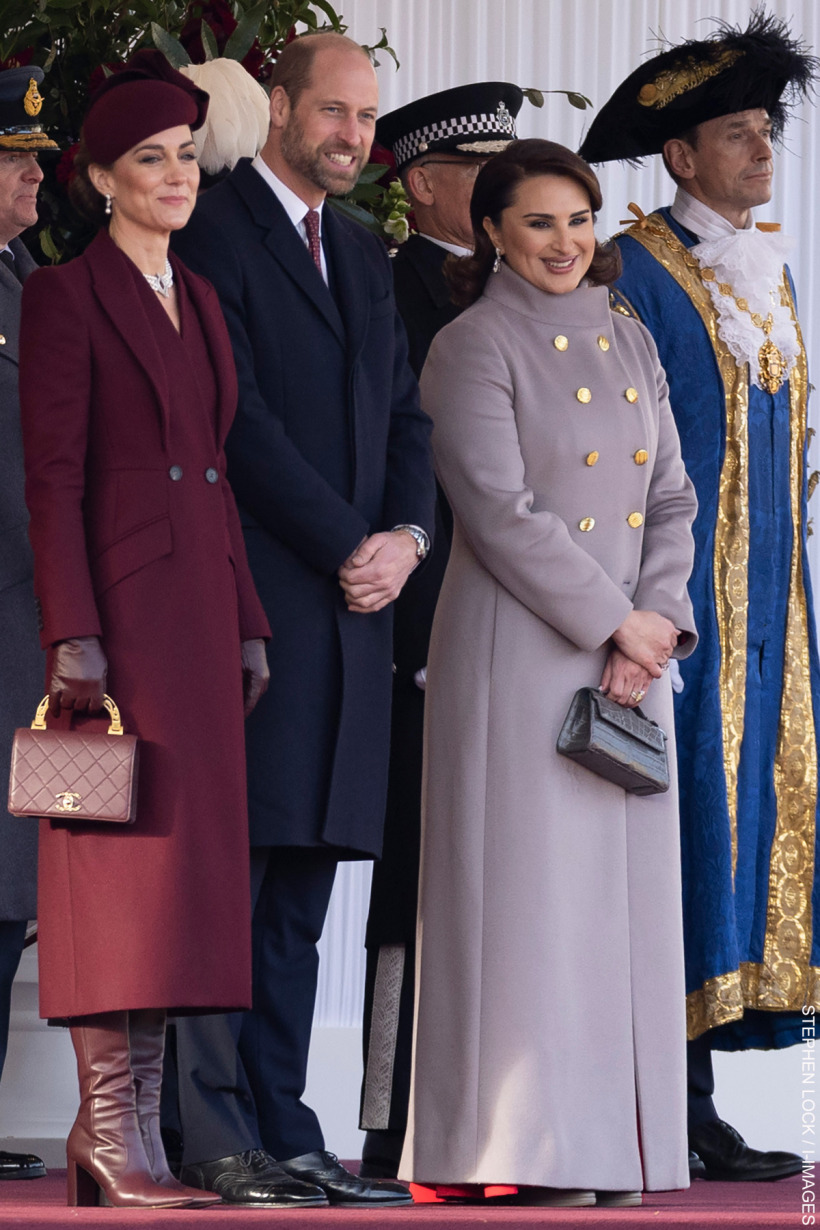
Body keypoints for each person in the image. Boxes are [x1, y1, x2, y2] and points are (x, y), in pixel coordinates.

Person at [402, 138, 698, 1209]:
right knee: (525, 908)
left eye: (578, 220)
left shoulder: (626, 333)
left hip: (629, 653)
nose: (565, 242)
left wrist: (659, 618)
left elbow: (672, 496)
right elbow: (499, 512)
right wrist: (616, 621)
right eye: (538, 222)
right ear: (490, 231)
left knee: (615, 914)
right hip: (521, 653)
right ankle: (514, 1147)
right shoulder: (470, 346)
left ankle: (616, 1148)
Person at [168, 31, 434, 1209]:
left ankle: (286, 1129)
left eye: (367, 119)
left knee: (300, 896)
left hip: (354, 613)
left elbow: (405, 415)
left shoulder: (368, 250)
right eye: (333, 112)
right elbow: (238, 422)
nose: (353, 137)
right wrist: (348, 543)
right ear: (277, 108)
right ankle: (212, 1136)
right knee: (230, 884)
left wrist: (406, 540)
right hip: (256, 605)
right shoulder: (213, 230)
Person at [18, 50, 272, 1209]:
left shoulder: (204, 297)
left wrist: (249, 620)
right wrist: (73, 635)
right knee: (114, 874)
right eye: (148, 162)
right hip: (116, 629)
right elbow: (52, 481)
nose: (174, 176)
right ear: (103, 181)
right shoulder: (64, 298)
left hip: (201, 620)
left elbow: (214, 472)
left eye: (184, 157)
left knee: (185, 884)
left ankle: (136, 1144)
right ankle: (108, 1136)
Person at [580, 10, 817, 1183]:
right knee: (670, 841)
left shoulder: (763, 271)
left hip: (770, 617)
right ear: (678, 157)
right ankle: (660, 1099)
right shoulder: (634, 272)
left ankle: (700, 1095)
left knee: (742, 837)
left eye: (764, 128)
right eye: (734, 133)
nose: (759, 149)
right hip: (677, 614)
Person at [358, 81, 523, 1180]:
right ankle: (391, 1114)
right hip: (423, 628)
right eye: (483, 177)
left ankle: (500, 1111)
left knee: (508, 877)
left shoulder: (525, 300)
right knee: (414, 885)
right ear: (422, 183)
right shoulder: (388, 291)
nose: (508, 195)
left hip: (519, 627)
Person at [0, 64, 55, 1184]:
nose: (34, 180)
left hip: (27, 624)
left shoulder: (20, 280)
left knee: (12, 884)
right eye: (13, 164)